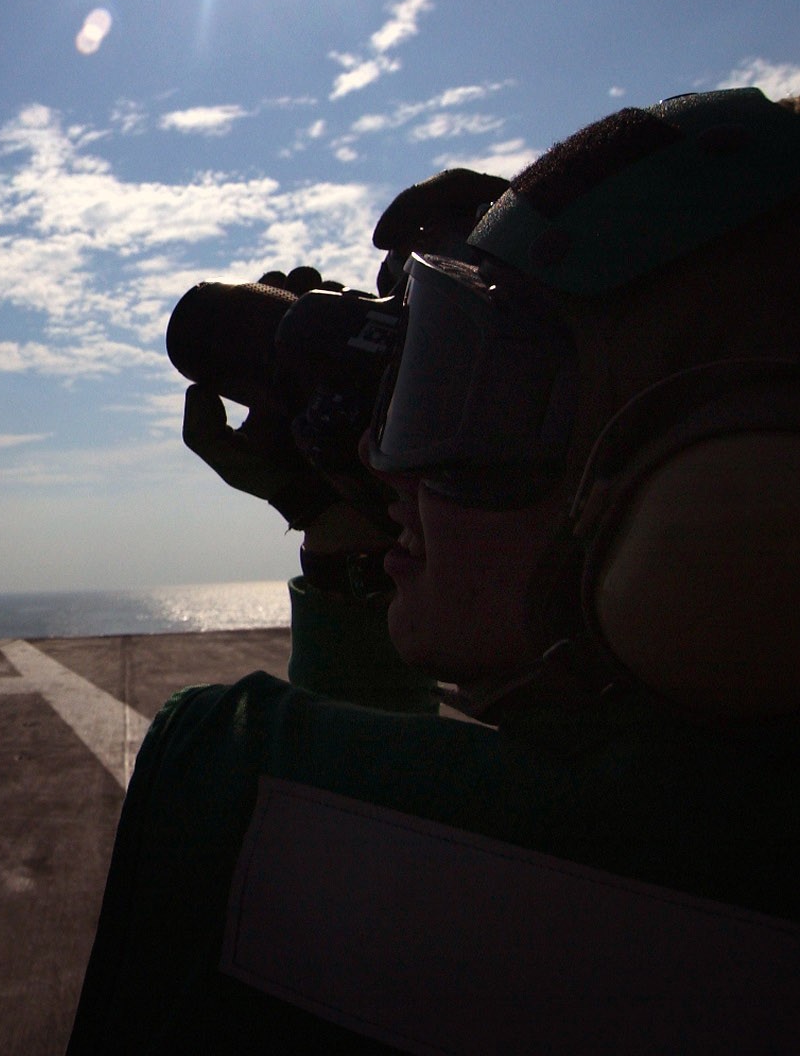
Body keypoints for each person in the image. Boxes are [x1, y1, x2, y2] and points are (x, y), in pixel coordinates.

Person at [67, 88, 800, 1052]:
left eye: (470, 394)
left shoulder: (245, 787)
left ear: (721, 478)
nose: (382, 459)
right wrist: (344, 534)